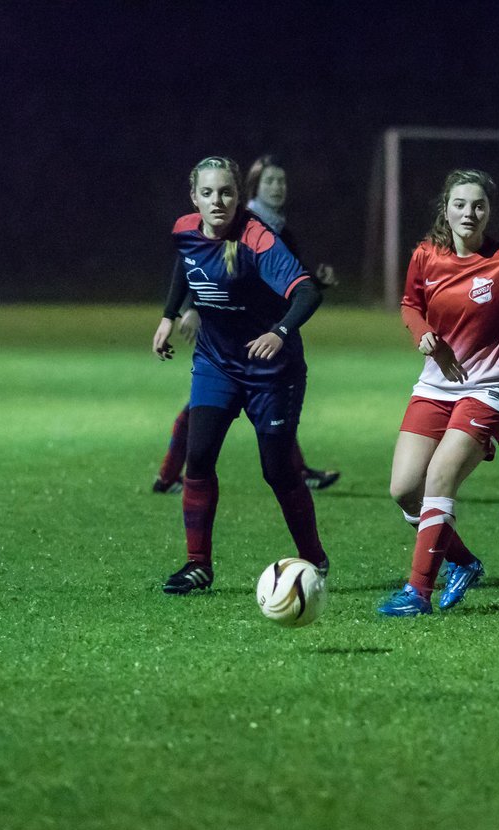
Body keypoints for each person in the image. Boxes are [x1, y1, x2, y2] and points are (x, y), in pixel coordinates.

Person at [377, 169, 499, 616]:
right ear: (446, 208)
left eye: (478, 205)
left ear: (488, 212)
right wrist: (422, 333)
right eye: (460, 204)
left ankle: (417, 594)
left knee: (440, 476)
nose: (469, 212)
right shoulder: (426, 255)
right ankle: (463, 562)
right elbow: (410, 304)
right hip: (434, 386)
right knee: (405, 490)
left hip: (489, 389)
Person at [152, 156, 328, 594]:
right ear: (194, 197)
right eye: (208, 193)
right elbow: (185, 263)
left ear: (238, 195)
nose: (218, 201)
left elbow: (306, 291)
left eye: (227, 192)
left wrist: (279, 331)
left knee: (278, 471)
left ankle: (314, 559)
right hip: (216, 365)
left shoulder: (257, 239)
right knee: (200, 458)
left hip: (272, 371)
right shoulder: (185, 229)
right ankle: (198, 566)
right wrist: (169, 316)